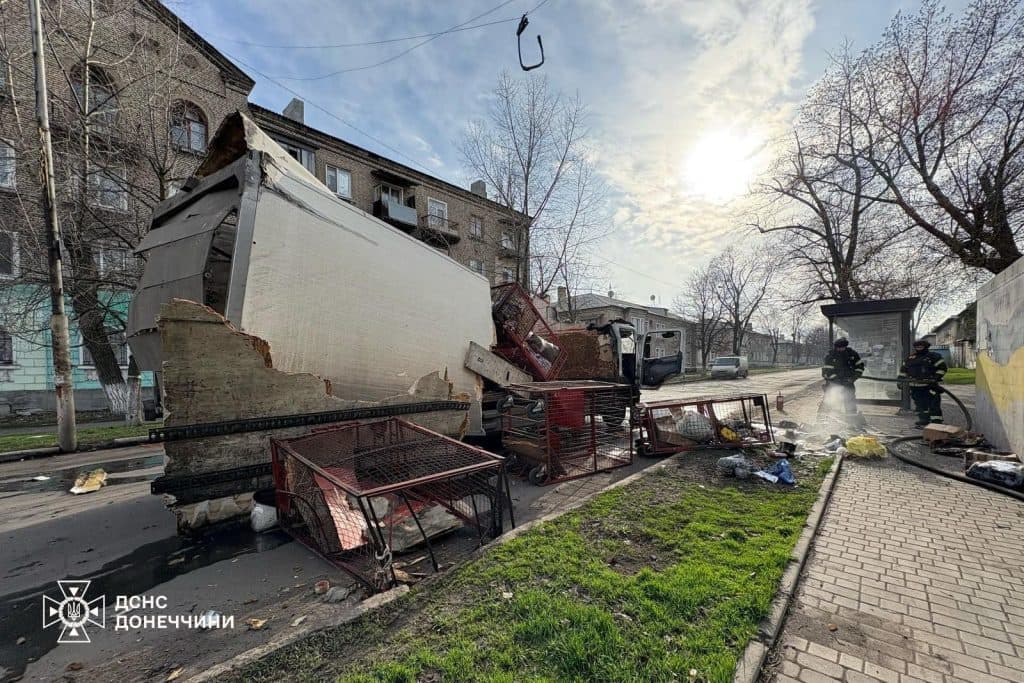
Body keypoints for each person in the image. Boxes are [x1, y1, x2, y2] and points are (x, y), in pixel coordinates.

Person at [899, 339, 948, 427]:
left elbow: (942, 368)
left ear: (926, 346)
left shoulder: (934, 356)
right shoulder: (911, 358)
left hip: (929, 386)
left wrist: (935, 378)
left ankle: (936, 422)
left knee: (933, 404)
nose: (919, 348)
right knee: (920, 405)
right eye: (917, 346)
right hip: (915, 387)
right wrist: (900, 380)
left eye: (921, 346)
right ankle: (924, 419)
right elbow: (903, 370)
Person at [822, 338, 866, 414]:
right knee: (832, 401)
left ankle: (851, 418)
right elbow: (826, 372)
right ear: (835, 347)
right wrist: (836, 380)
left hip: (848, 383)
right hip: (834, 384)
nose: (840, 349)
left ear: (845, 346)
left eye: (842, 347)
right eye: (838, 347)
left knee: (850, 400)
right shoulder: (831, 356)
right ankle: (829, 420)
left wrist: (853, 378)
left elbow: (860, 367)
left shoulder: (852, 354)